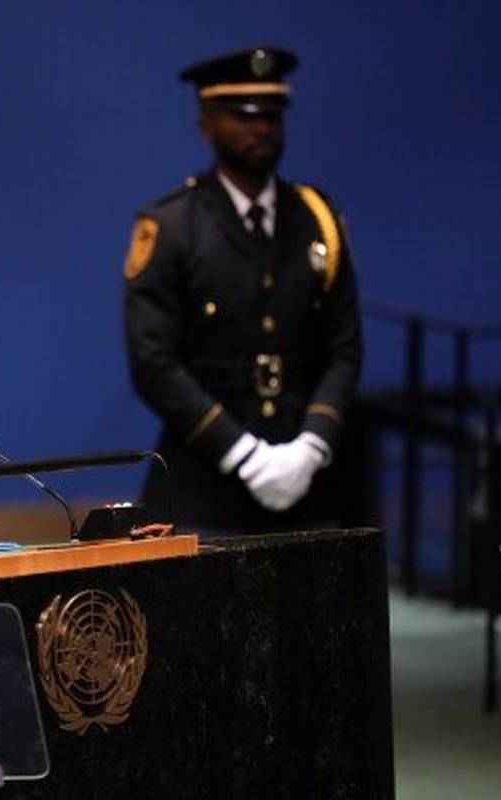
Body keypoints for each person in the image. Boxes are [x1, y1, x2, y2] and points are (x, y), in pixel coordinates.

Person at [123, 47, 362, 534]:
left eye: (272, 116)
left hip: (310, 483)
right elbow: (153, 362)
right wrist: (243, 454)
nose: (261, 129)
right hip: (204, 485)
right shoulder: (171, 225)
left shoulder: (318, 218)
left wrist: (312, 444)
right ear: (206, 125)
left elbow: (345, 348)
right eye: (243, 116)